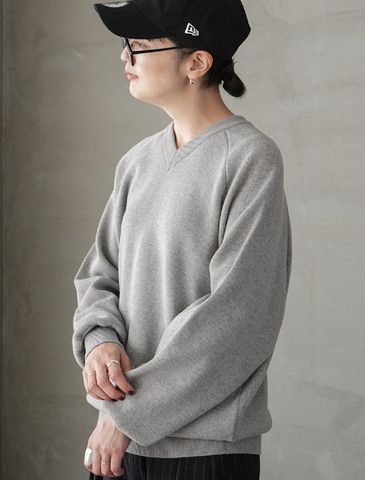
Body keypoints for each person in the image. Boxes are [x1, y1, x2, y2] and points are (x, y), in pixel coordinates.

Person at [72, 0, 292, 478]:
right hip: (118, 444)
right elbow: (99, 274)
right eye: (126, 44)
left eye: (140, 44)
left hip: (204, 451)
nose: (125, 55)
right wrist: (100, 341)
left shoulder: (250, 159)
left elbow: (239, 316)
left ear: (197, 62)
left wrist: (126, 417)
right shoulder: (136, 163)